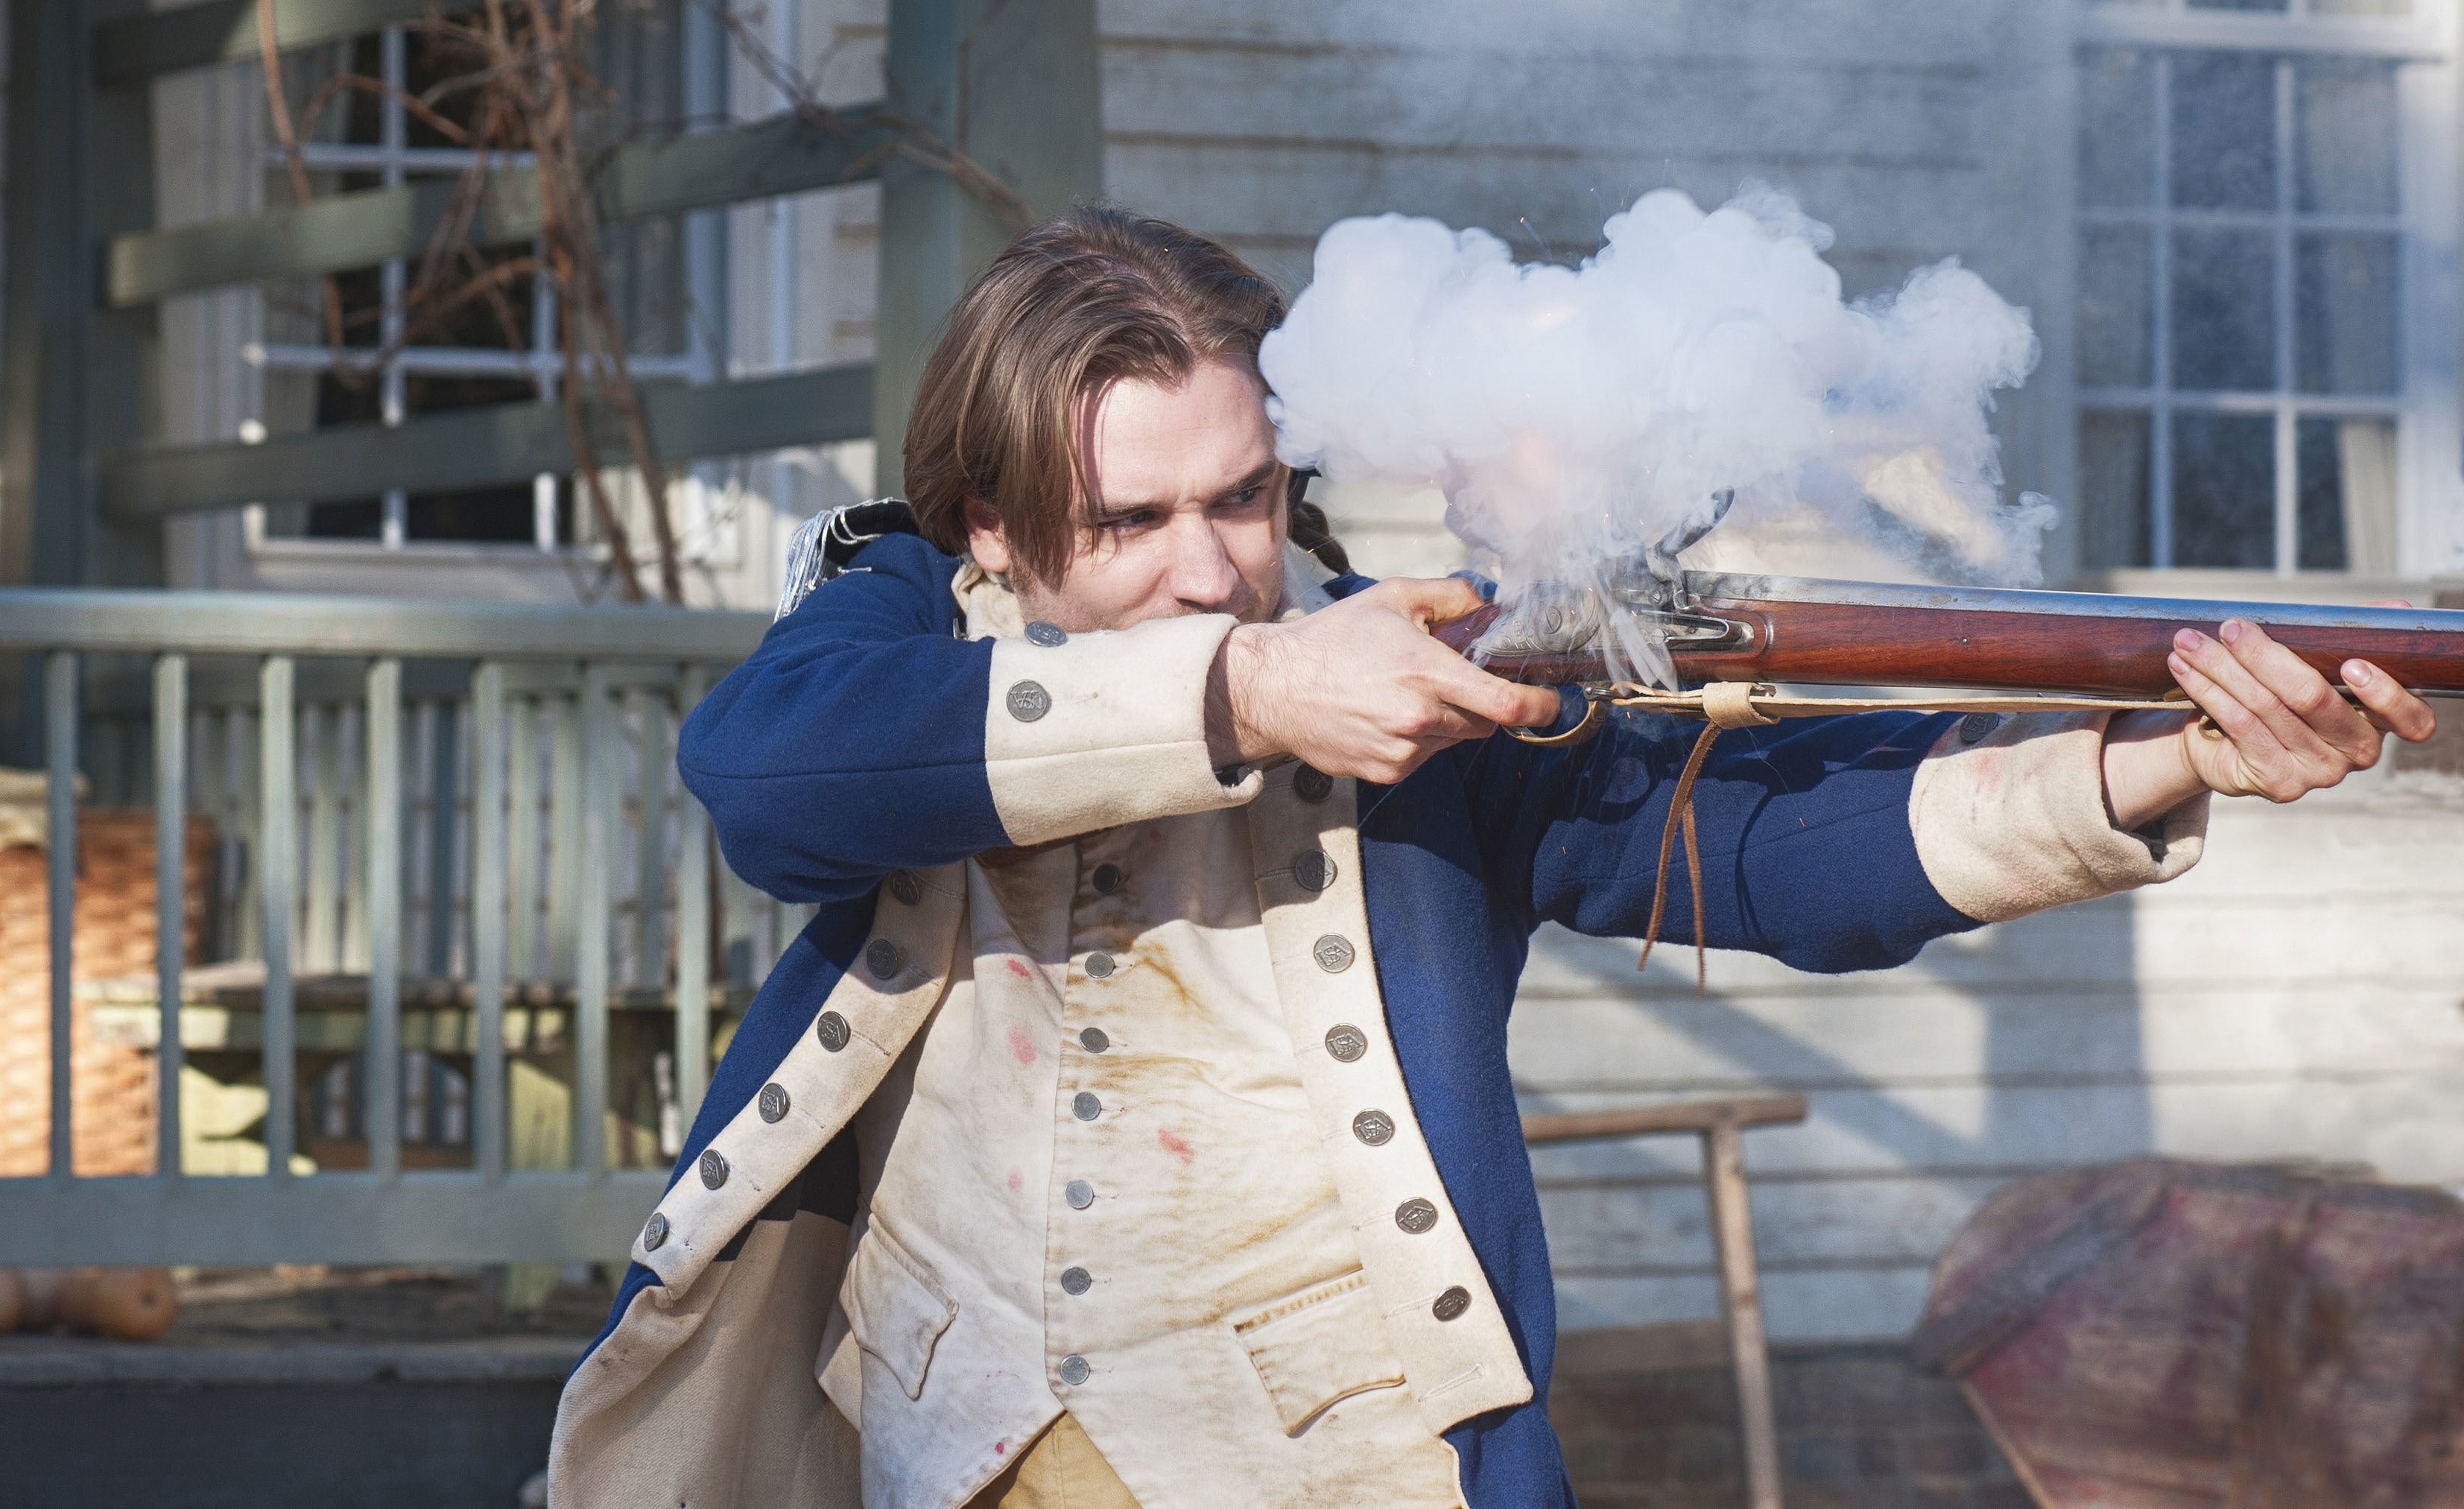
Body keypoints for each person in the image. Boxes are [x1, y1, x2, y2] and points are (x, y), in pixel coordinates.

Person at [543, 206, 2435, 1509]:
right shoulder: (897, 626)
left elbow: (1785, 849)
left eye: (1242, 499)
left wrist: (2163, 753)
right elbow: (769, 778)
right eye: (1132, 520)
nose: (1210, 566)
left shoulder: (1421, 679)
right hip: (939, 1447)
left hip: (1337, 1459)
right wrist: (1253, 688)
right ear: (989, 523)